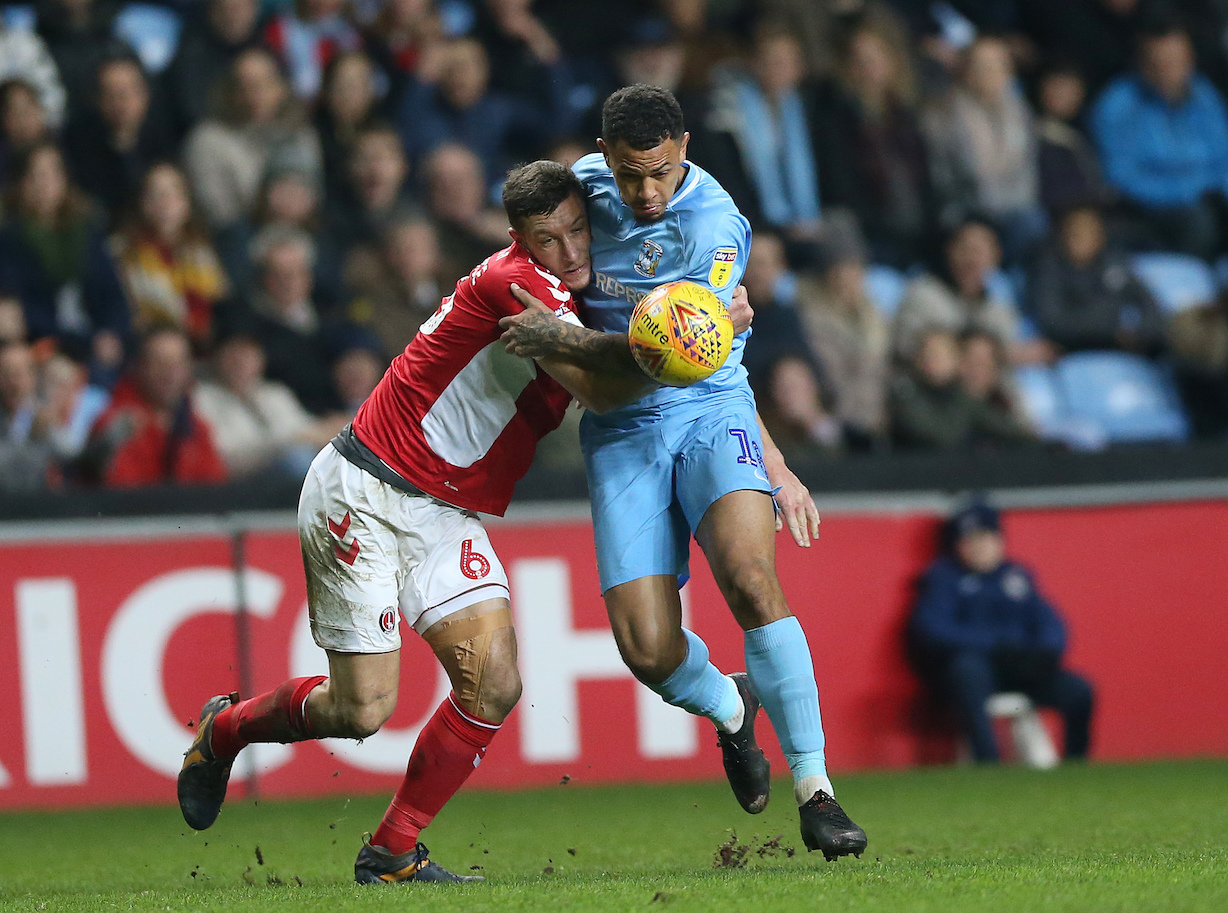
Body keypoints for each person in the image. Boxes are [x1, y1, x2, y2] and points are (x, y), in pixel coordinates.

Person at [176, 161, 666, 884]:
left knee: (494, 682)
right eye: (548, 238)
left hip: (441, 507)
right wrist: (694, 342)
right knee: (362, 709)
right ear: (518, 238)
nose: (569, 250)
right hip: (365, 492)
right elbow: (602, 390)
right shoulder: (518, 286)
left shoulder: (571, 292)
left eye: (577, 231)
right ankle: (224, 730)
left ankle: (391, 852)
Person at [496, 84, 867, 861]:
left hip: (707, 408)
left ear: (684, 150)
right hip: (621, 431)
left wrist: (773, 461)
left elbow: (677, 358)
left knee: (751, 580)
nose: (647, 193)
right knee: (647, 648)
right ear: (604, 157)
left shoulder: (713, 228)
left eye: (662, 171)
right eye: (631, 176)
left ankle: (817, 789)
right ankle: (732, 707)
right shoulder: (577, 197)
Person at [907, 500, 1095, 764]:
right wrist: (993, 647)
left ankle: (1076, 764)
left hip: (1019, 668)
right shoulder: (943, 578)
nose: (978, 547)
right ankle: (989, 762)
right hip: (977, 669)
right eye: (969, 540)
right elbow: (932, 630)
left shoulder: (1017, 576)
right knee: (966, 671)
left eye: (985, 538)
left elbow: (1050, 624)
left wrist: (1042, 653)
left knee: (1079, 689)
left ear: (999, 540)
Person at [1090, 20, 1228, 260]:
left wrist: (1215, 191)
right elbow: (1120, 177)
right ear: (1143, 64)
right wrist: (1189, 193)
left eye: (1178, 61)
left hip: (1210, 199)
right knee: (1198, 222)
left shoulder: (1204, 95)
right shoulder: (1118, 105)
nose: (1171, 71)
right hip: (1149, 210)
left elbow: (1223, 156)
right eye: (1161, 63)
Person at [84, 326, 227, 487]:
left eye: (178, 363)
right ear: (140, 366)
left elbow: (214, 487)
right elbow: (122, 491)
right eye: (159, 362)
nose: (169, 372)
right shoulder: (115, 426)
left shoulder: (197, 428)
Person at [889, 326, 1034, 451]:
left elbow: (1002, 428)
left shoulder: (960, 396)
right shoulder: (905, 391)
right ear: (918, 359)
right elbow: (941, 437)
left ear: (955, 360)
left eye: (942, 355)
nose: (934, 361)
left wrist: (1032, 439)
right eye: (929, 354)